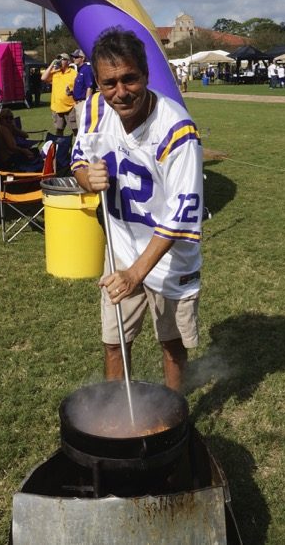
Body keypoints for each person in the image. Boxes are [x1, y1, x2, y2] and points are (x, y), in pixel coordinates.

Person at [71, 27, 203, 392]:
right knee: (114, 341)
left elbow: (181, 215)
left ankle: (176, 423)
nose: (121, 92)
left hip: (169, 256)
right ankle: (117, 419)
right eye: (109, 82)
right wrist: (86, 177)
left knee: (172, 345)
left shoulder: (177, 130)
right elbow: (79, 157)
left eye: (130, 79)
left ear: (145, 74)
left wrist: (136, 273)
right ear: (97, 82)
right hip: (121, 249)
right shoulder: (95, 109)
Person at [41, 53, 77, 135]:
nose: (60, 61)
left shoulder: (74, 73)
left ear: (68, 62)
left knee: (76, 130)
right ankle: (60, 147)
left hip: (70, 107)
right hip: (57, 108)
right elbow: (43, 78)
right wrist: (52, 64)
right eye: (59, 59)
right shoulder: (55, 72)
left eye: (63, 59)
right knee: (59, 131)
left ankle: (78, 147)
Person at [71, 49, 96, 127]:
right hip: (78, 103)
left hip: (83, 103)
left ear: (83, 58)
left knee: (84, 127)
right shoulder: (80, 70)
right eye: (73, 57)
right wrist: (71, 92)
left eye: (76, 57)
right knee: (80, 127)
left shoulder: (87, 69)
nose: (74, 59)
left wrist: (87, 104)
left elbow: (90, 87)